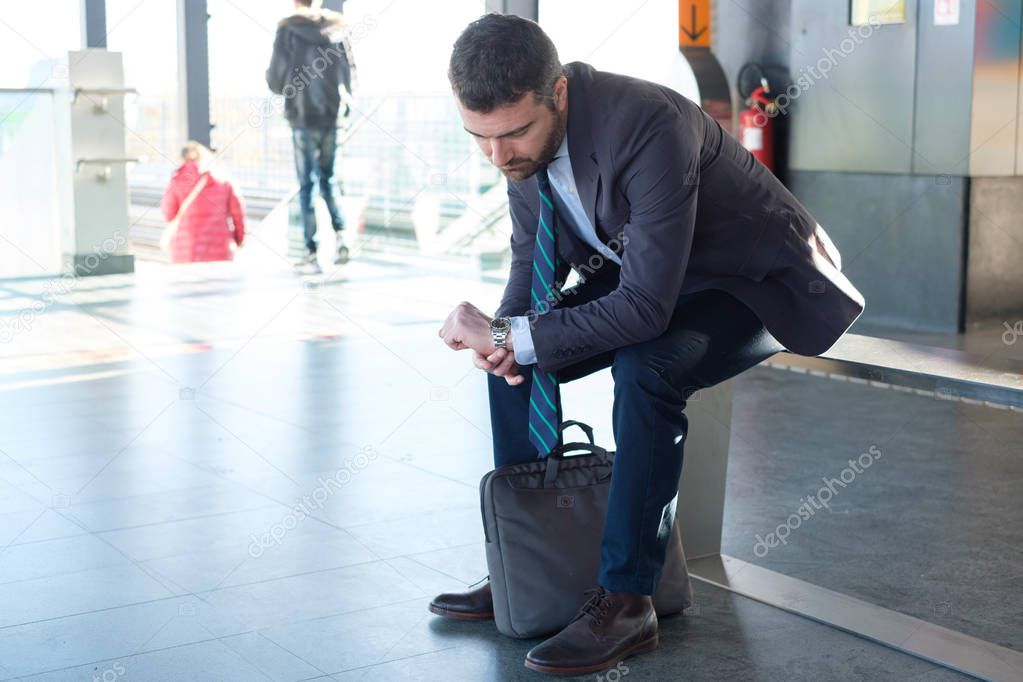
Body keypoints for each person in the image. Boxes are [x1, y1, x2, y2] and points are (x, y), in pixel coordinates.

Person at [435, 14, 865, 677]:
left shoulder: (645, 123)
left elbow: (643, 310)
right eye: (479, 139)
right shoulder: (517, 148)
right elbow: (531, 267)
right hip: (652, 278)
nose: (499, 157)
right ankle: (530, 568)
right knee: (511, 366)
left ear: (559, 94)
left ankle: (629, 598)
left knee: (646, 369)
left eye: (513, 133)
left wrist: (510, 334)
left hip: (752, 283)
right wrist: (504, 336)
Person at [266, 0, 356, 272]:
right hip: (332, 116)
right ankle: (342, 239)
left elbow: (275, 79)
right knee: (329, 179)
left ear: (295, 3)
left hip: (302, 115)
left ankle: (311, 253)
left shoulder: (288, 30)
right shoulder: (337, 29)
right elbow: (351, 73)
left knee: (307, 184)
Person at [160, 141, 245, 264]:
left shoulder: (177, 180)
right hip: (220, 251)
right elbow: (238, 214)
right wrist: (238, 240)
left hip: (186, 253)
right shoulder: (223, 179)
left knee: (188, 283)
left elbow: (168, 213)